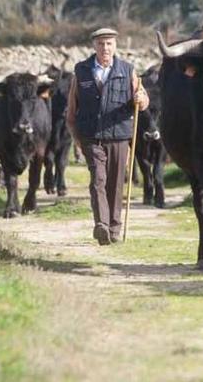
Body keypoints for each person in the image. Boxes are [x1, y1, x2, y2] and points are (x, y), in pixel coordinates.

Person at [66, 28, 149, 245]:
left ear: (115, 46)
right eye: (101, 43)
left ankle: (114, 228)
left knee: (115, 184)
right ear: (94, 45)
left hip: (119, 136)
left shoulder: (127, 70)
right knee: (98, 180)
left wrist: (141, 99)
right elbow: (72, 108)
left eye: (109, 43)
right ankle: (101, 224)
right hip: (91, 136)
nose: (105, 48)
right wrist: (76, 136)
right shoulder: (81, 71)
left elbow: (143, 101)